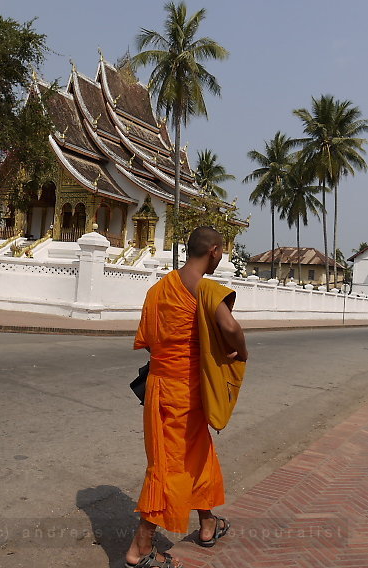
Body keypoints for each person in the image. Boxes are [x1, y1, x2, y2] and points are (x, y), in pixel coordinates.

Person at [125, 226, 248, 568]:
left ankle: (207, 524)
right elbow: (231, 328)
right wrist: (242, 351)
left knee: (197, 454)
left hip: (159, 387)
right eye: (221, 251)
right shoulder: (205, 289)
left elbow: (149, 340)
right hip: (184, 391)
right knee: (170, 466)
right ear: (214, 251)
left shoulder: (158, 290)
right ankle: (140, 548)